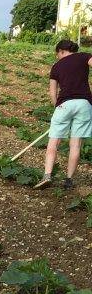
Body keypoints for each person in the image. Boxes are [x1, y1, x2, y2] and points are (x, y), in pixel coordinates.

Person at [34, 38, 92, 190]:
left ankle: (47, 175)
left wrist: (56, 106)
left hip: (64, 104)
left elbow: (53, 92)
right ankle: (69, 180)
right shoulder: (84, 56)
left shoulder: (56, 66)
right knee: (76, 144)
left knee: (54, 142)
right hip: (84, 104)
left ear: (61, 51)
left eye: (57, 54)